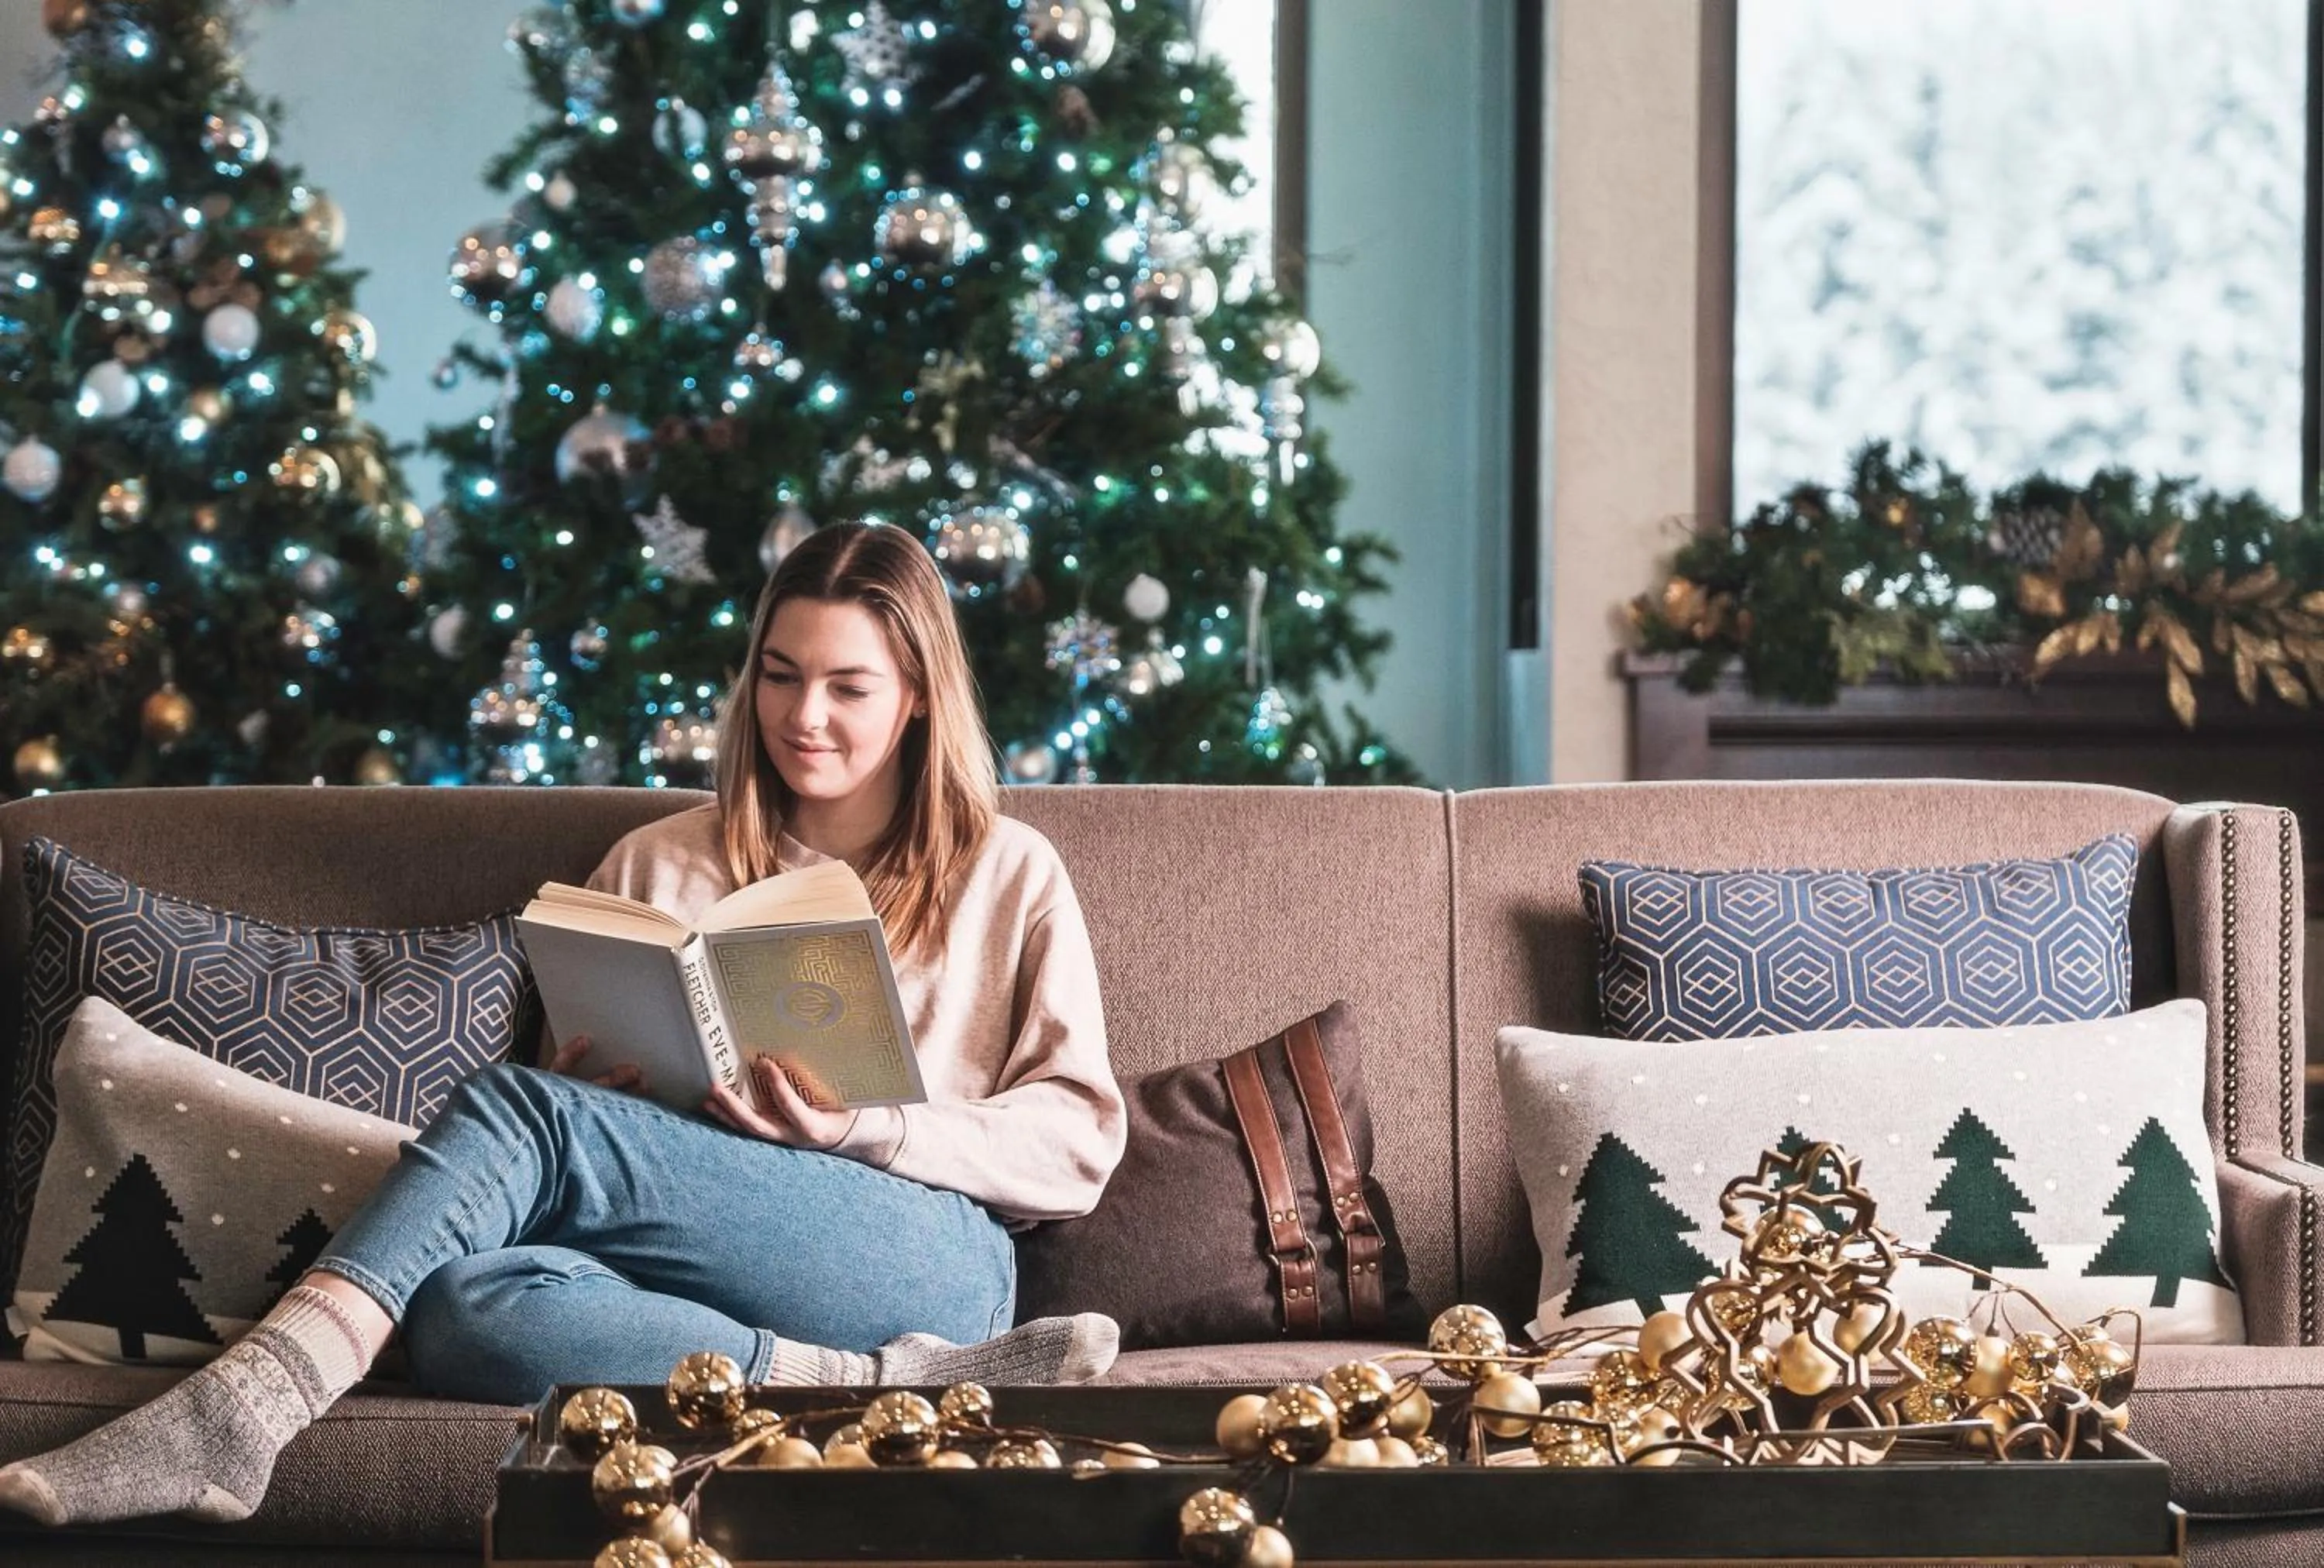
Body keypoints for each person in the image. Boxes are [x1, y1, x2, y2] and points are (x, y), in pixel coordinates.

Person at [0, 522, 1129, 1527]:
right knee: (463, 1308)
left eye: (849, 687)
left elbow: (1079, 1138)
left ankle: (241, 1408)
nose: (804, 717)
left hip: (924, 1253)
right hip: (686, 1246)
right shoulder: (657, 862)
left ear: (919, 693)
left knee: (519, 1113)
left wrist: (862, 1130)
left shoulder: (1008, 869)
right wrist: (599, 1096)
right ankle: (886, 1385)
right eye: (781, 678)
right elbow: (564, 1128)